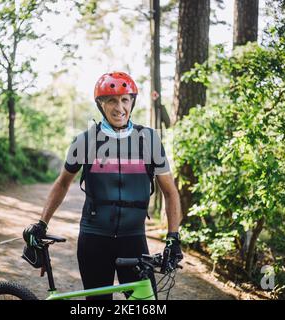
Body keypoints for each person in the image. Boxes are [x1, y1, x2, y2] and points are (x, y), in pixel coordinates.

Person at [23, 71, 183, 300]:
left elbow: (170, 192)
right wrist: (41, 223)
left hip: (133, 241)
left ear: (132, 102)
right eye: (112, 100)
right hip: (94, 240)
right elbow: (62, 184)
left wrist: (173, 237)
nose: (119, 107)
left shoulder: (149, 140)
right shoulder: (85, 141)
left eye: (125, 100)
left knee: (145, 304)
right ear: (101, 104)